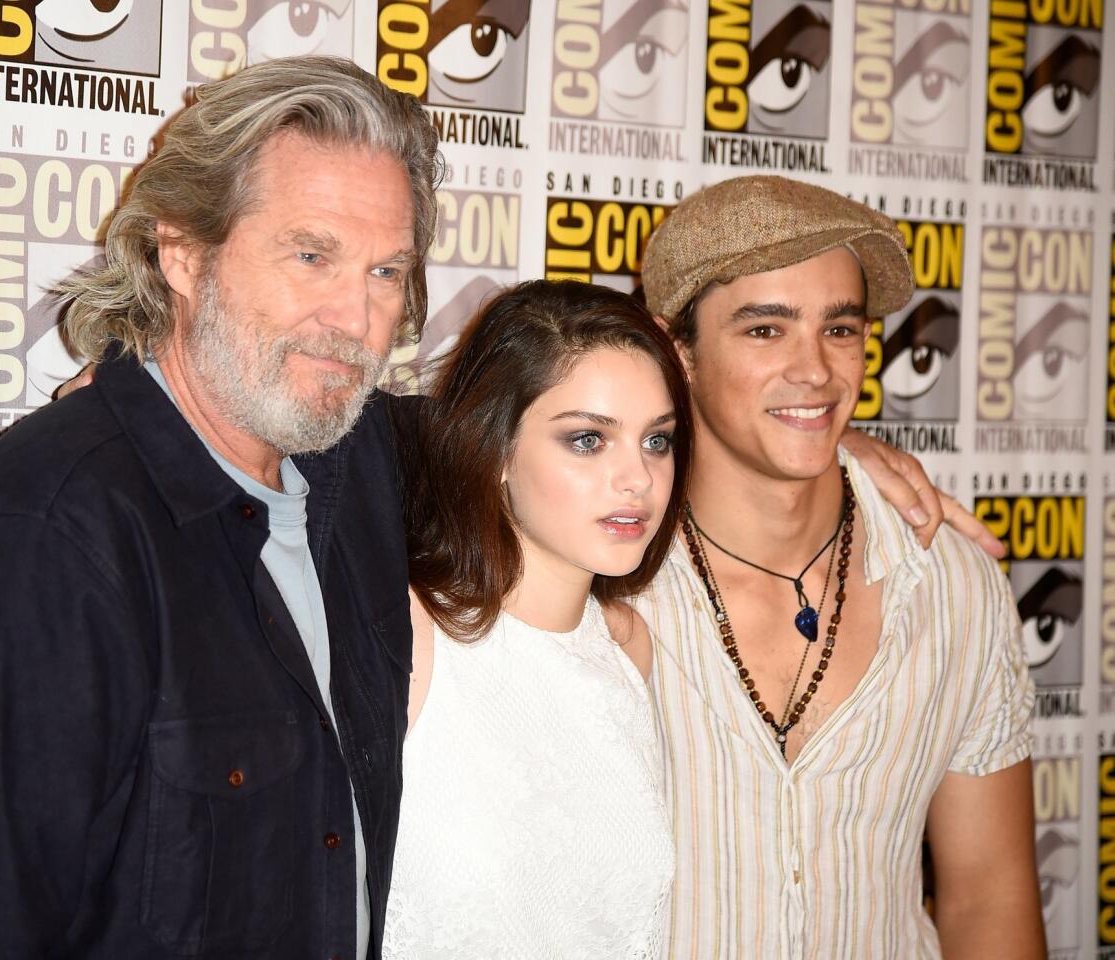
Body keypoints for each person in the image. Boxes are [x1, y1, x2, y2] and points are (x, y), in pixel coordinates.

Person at [0, 57, 440, 959]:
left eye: (385, 271)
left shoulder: (348, 467)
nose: (355, 319)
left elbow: (545, 408)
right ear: (182, 254)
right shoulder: (39, 539)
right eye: (311, 254)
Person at [636, 175, 1045, 958]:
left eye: (839, 329)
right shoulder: (597, 580)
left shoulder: (953, 587)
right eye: (764, 330)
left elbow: (987, 898)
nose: (816, 372)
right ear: (673, 349)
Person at [383, 280, 690, 958]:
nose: (636, 478)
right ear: (493, 449)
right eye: (587, 440)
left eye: (656, 441)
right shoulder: (412, 634)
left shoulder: (624, 648)